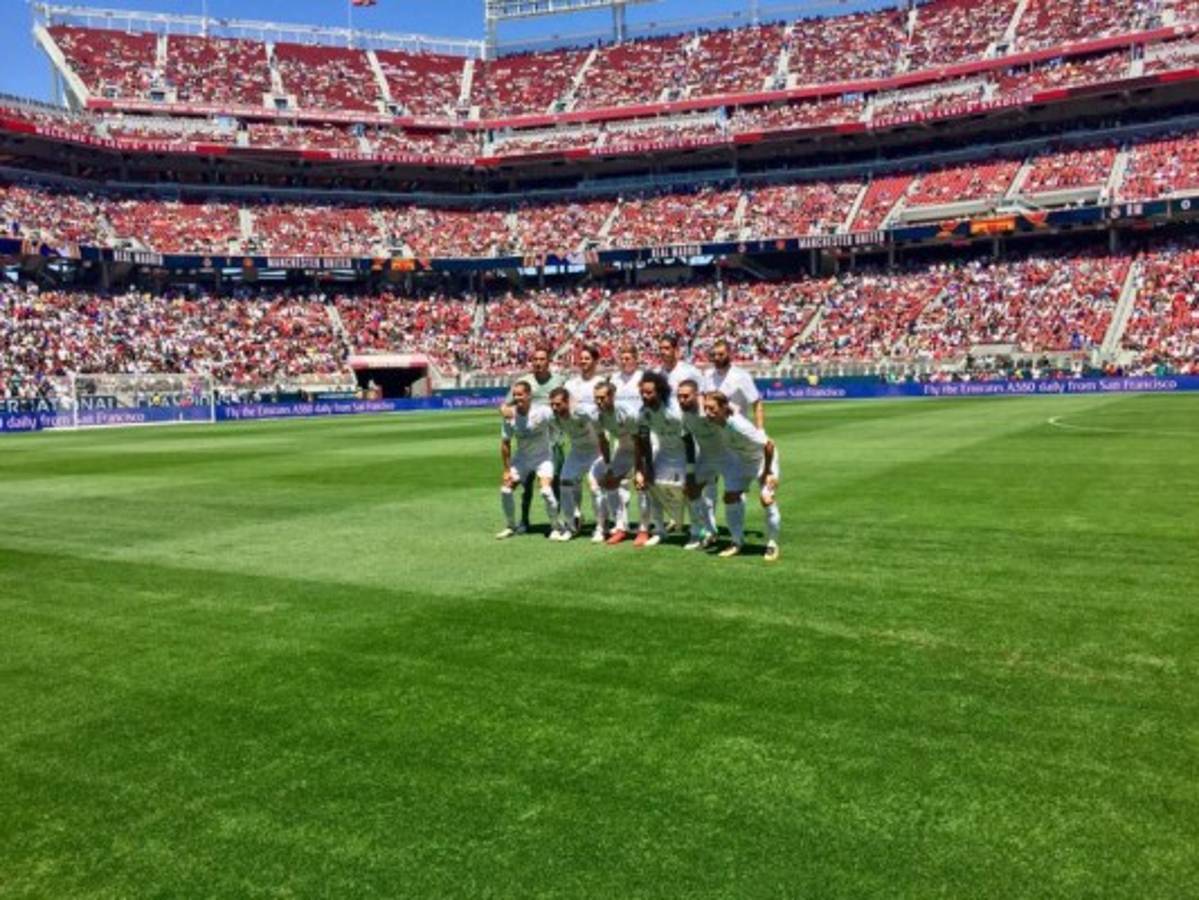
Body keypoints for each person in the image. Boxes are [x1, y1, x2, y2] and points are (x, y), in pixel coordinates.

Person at [704, 390, 780, 563]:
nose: (708, 413)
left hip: (763, 460)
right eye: (706, 408)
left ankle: (772, 544)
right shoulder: (719, 421)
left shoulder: (739, 426)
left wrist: (767, 472)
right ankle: (737, 542)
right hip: (742, 461)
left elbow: (769, 445)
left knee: (766, 499)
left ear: (724, 408)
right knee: (730, 497)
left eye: (712, 409)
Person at [500, 346, 566, 532]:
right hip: (527, 434)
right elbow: (505, 406)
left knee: (554, 482)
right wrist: (505, 412)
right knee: (525, 485)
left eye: (542, 359)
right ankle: (524, 520)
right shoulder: (524, 382)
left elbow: (567, 403)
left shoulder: (559, 381)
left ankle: (556, 520)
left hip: (554, 438)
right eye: (535, 359)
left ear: (548, 361)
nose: (538, 362)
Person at [497, 381, 559, 540]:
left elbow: (559, 422)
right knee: (505, 489)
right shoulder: (510, 415)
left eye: (520, 394)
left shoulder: (543, 411)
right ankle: (511, 525)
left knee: (545, 491)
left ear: (529, 395)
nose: (517, 398)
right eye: (515, 394)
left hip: (543, 457)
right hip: (522, 458)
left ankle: (555, 526)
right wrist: (506, 470)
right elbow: (505, 444)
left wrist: (555, 440)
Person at [633, 370, 688, 548]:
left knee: (688, 492)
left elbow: (690, 439)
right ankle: (659, 530)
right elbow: (644, 441)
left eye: (649, 392)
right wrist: (647, 467)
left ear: (660, 392)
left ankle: (698, 531)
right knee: (651, 487)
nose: (644, 395)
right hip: (664, 452)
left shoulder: (675, 410)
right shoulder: (643, 413)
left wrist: (692, 466)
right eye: (642, 392)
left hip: (683, 452)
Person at [548, 386, 603, 542]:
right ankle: (571, 526)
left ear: (567, 402)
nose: (555, 408)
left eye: (558, 404)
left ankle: (600, 528)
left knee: (594, 488)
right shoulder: (553, 417)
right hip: (577, 453)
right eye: (552, 404)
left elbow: (602, 417)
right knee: (564, 484)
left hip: (595, 452)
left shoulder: (582, 412)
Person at [676, 378, 722, 550]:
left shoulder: (710, 409)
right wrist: (690, 470)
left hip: (728, 454)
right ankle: (702, 531)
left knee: (734, 494)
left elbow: (731, 420)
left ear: (697, 395)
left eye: (686, 396)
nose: (682, 400)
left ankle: (736, 539)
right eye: (679, 396)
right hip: (706, 455)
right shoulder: (685, 414)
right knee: (692, 489)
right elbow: (687, 440)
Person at [593, 379, 640, 544]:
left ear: (612, 396)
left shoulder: (627, 412)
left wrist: (639, 470)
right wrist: (608, 467)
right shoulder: (597, 415)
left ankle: (646, 530)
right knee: (610, 482)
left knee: (644, 486)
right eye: (596, 398)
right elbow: (603, 441)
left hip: (645, 446)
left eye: (602, 398)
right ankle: (621, 527)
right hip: (625, 448)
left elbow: (640, 440)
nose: (599, 401)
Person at [705, 338, 764, 429]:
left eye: (721, 354)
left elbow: (756, 403)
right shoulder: (707, 375)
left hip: (737, 432)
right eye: (714, 355)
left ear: (729, 354)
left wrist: (760, 431)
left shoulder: (741, 376)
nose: (716, 358)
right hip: (714, 432)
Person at [564, 344, 605, 415]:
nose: (583, 361)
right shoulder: (570, 384)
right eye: (581, 358)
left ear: (595, 361)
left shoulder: (602, 383)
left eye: (587, 359)